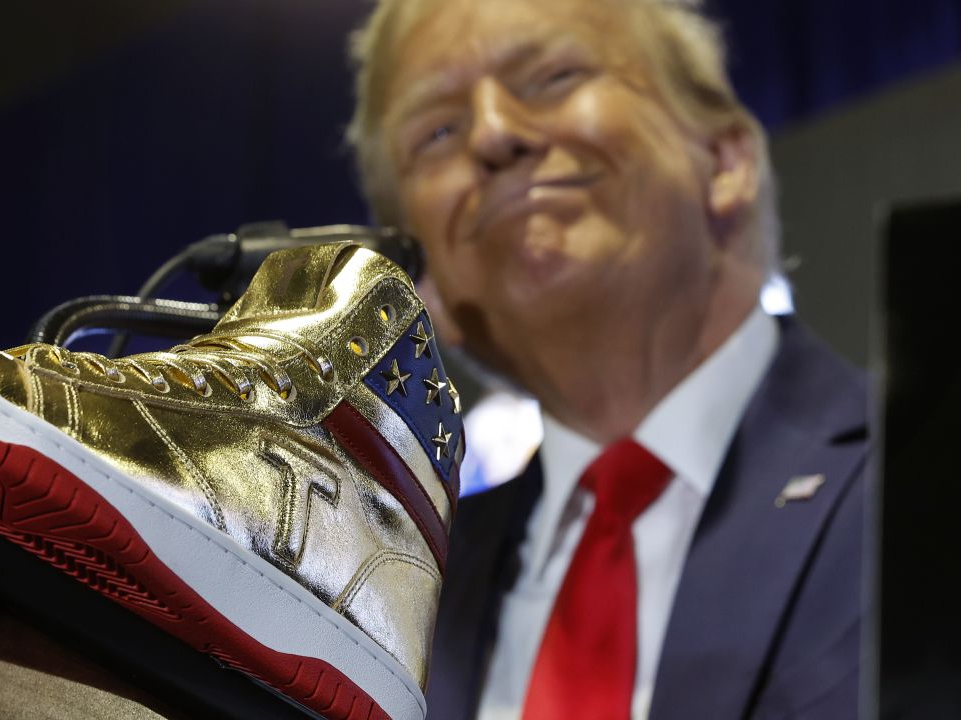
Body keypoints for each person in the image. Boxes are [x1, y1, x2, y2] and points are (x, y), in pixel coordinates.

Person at [345, 0, 869, 718]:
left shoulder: (925, 472)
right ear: (421, 277)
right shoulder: (387, 607)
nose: (493, 135)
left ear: (723, 161)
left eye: (554, 76)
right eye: (437, 131)